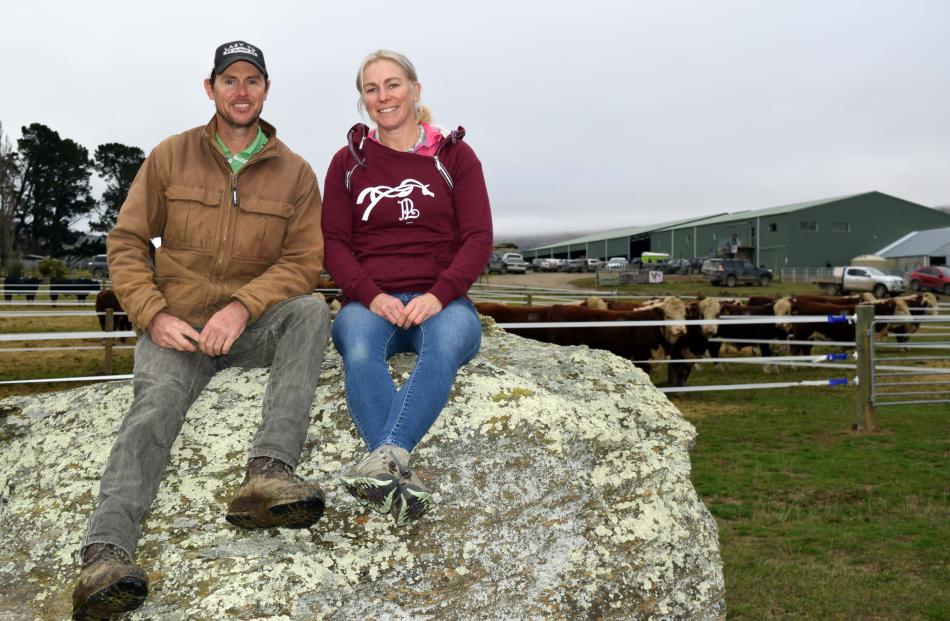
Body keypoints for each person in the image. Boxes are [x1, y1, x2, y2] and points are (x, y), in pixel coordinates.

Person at [71, 40, 330, 619]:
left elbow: (303, 262)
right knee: (155, 406)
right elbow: (128, 241)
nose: (242, 91)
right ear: (209, 87)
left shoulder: (295, 173)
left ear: (266, 90)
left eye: (253, 81)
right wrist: (152, 314)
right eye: (229, 80)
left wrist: (243, 305)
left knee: (312, 311)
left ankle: (268, 474)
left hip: (252, 324)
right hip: (177, 330)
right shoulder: (170, 156)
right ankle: (103, 557)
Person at [322, 50, 492, 527]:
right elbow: (333, 243)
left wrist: (439, 295)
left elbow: (478, 237)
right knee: (357, 346)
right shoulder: (347, 164)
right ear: (363, 100)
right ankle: (396, 471)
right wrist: (370, 295)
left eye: (393, 85)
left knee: (442, 347)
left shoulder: (453, 156)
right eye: (371, 89)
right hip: (367, 301)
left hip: (443, 301)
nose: (384, 96)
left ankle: (385, 459)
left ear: (415, 90)